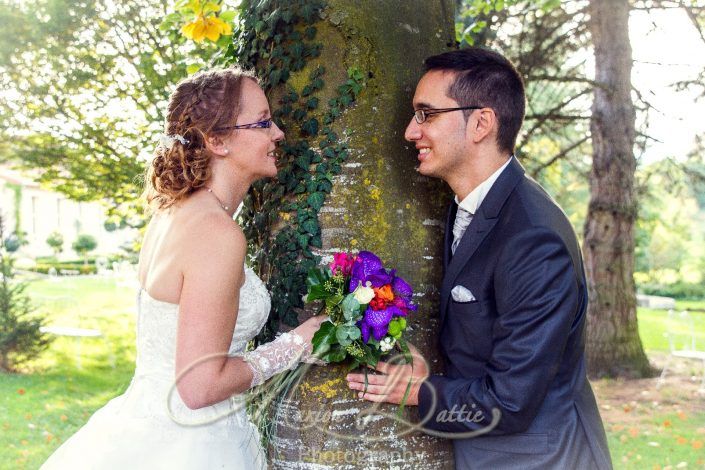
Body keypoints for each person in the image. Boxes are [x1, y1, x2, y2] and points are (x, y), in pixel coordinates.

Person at [41, 67, 326, 469]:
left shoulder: (172, 212)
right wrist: (296, 344)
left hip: (146, 424)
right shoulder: (216, 233)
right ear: (216, 141)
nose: (278, 133)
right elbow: (198, 385)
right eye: (262, 122)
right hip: (191, 445)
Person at [346, 48, 613, 469]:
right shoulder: (469, 205)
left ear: (482, 123)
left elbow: (511, 401)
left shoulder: (533, 238)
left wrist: (419, 391)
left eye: (426, 114)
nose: (409, 132)